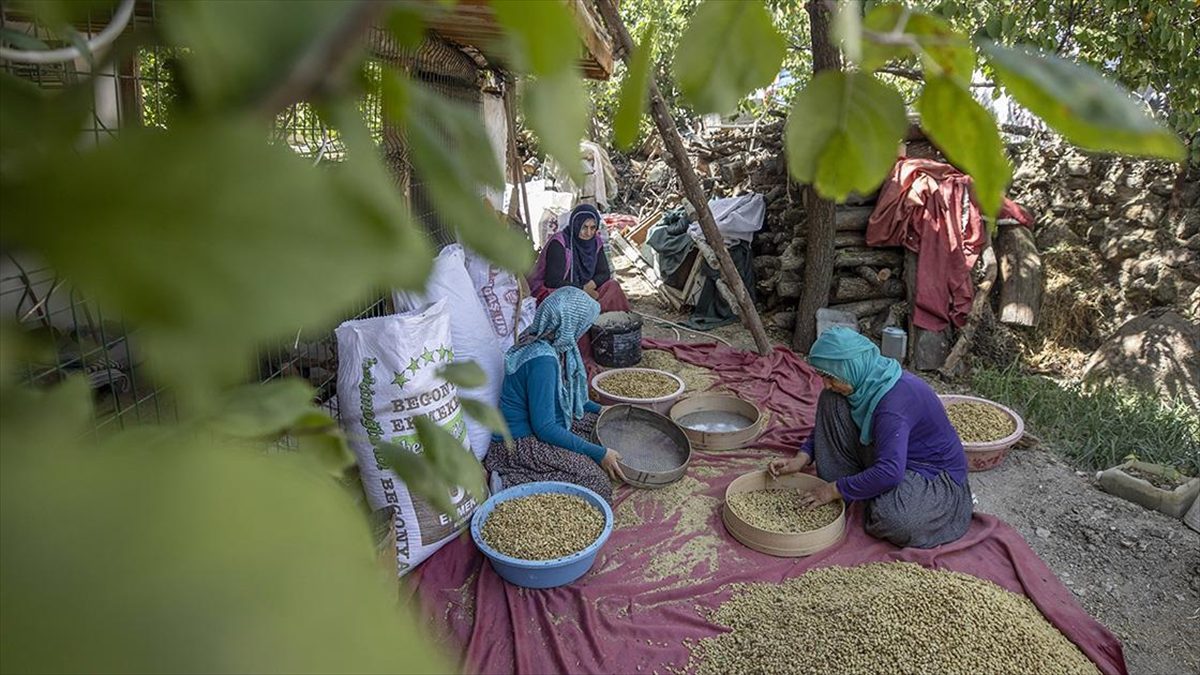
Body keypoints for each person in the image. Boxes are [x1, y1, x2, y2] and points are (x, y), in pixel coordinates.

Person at [769, 327, 973, 548]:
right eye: (823, 376)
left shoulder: (892, 405)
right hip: (888, 453)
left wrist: (832, 490)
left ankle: (861, 488)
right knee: (831, 399)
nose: (825, 384)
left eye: (830, 377)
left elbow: (891, 472)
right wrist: (802, 457)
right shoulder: (866, 380)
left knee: (895, 520)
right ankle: (861, 485)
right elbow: (826, 424)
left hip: (929, 474)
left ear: (852, 368)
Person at [484, 286, 626, 502]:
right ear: (570, 325)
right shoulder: (542, 360)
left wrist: (601, 409)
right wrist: (600, 454)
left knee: (597, 425)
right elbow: (546, 429)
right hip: (518, 444)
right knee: (596, 483)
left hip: (543, 424)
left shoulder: (547, 340)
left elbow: (566, 397)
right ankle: (510, 482)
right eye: (582, 325)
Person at [528, 204, 631, 313]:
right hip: (561, 291)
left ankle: (598, 318)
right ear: (575, 225)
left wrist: (589, 286)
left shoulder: (595, 242)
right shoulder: (559, 243)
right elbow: (552, 282)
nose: (588, 233)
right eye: (584, 227)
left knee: (613, 286)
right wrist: (582, 290)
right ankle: (589, 318)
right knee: (566, 304)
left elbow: (604, 272)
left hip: (586, 289)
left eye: (592, 228)